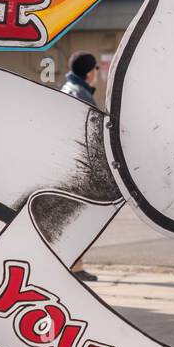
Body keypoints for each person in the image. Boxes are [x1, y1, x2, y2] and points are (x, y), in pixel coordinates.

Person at [60, 51, 101, 282]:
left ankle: (75, 264)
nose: (98, 73)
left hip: (68, 164)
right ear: (89, 72)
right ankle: (73, 266)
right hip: (75, 167)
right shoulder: (79, 94)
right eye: (96, 69)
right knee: (77, 217)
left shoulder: (70, 89)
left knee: (73, 217)